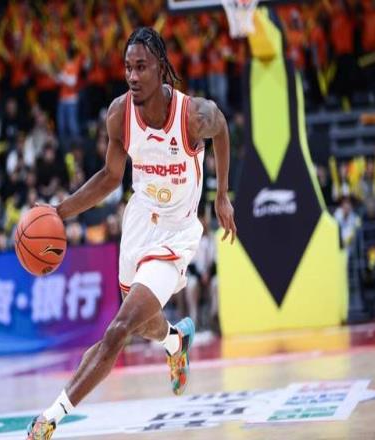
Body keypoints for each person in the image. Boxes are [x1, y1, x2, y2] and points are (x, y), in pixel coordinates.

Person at [27, 27, 236, 440]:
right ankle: (175, 341)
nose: (133, 76)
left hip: (177, 233)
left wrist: (222, 195)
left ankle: (50, 419)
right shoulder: (119, 114)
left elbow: (223, 129)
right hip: (139, 223)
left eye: (142, 67)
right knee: (142, 323)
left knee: (119, 329)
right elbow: (110, 177)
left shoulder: (193, 115)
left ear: (161, 68)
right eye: (128, 68)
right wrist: (59, 212)